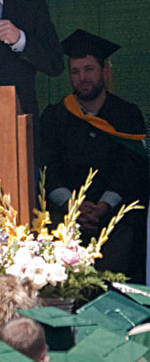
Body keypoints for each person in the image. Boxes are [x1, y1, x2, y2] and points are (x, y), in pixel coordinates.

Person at [39, 30, 149, 282]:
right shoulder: (55, 116)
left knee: (128, 227)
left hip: (115, 211)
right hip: (66, 212)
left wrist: (102, 207)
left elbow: (131, 169)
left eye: (89, 69)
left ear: (104, 72)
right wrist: (74, 207)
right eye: (75, 71)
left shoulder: (126, 114)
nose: (82, 78)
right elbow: (49, 168)